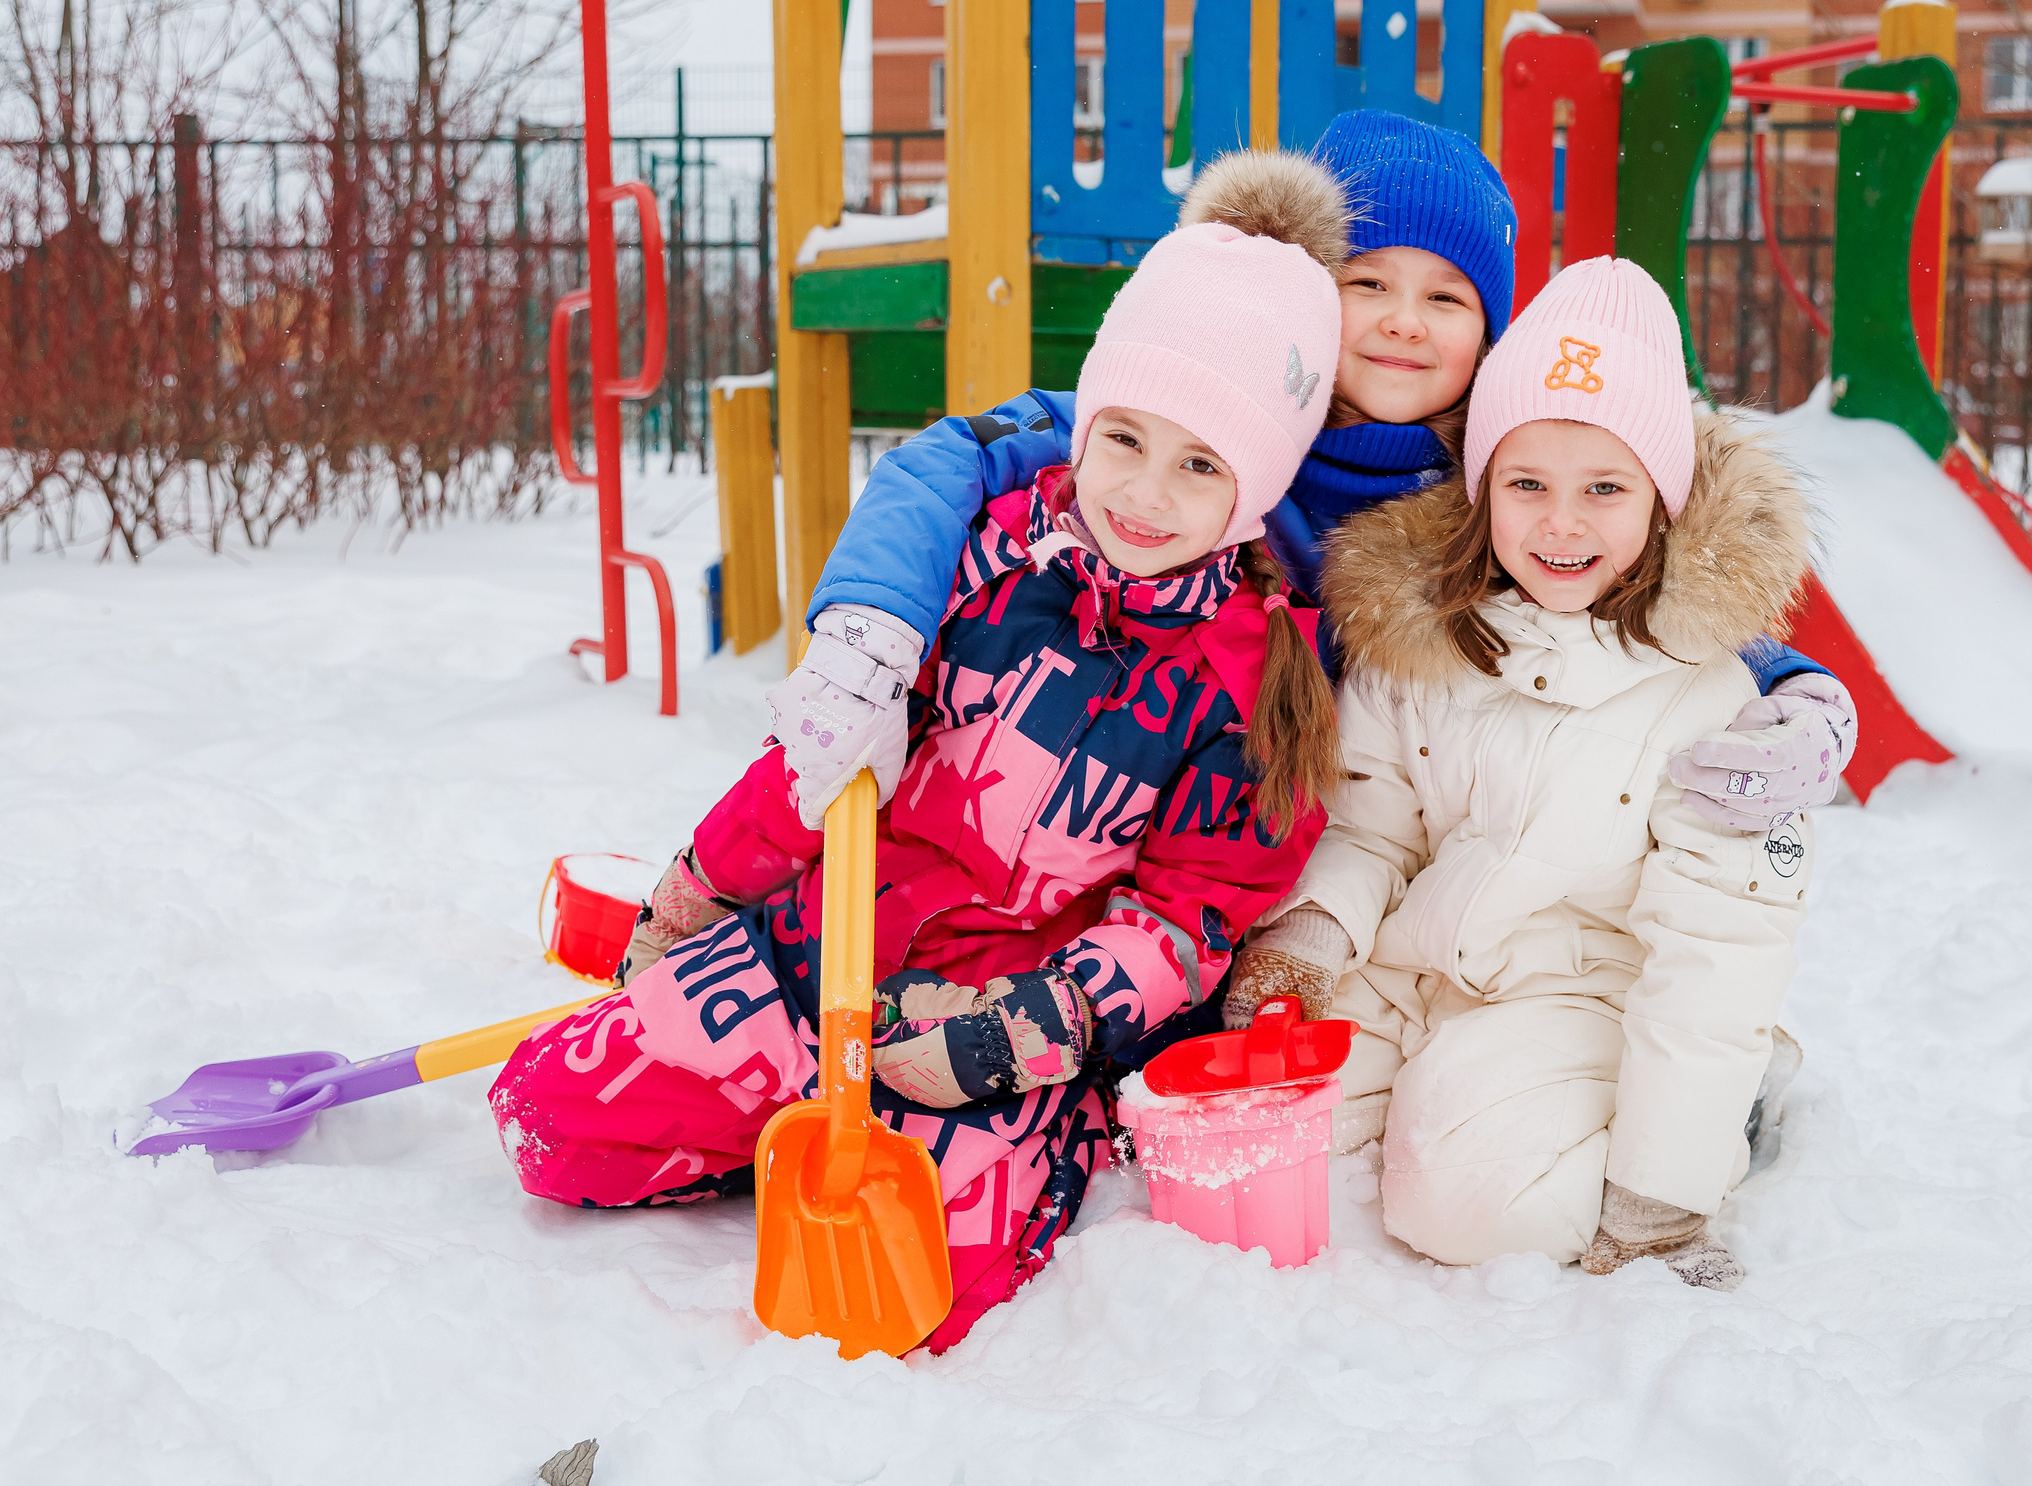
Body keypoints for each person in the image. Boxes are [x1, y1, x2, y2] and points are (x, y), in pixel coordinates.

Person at [490, 150, 1349, 1350]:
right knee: (546, 1123)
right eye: (1125, 440)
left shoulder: (1258, 682)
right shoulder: (983, 559)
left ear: (1254, 487)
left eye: (1201, 464)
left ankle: (1037, 1151)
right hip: (827, 947)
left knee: (917, 1297)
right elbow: (827, 760)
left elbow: (1185, 919)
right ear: (1083, 424)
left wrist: (1028, 1029)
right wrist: (697, 893)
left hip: (1001, 1024)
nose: (1145, 493)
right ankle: (765, 1111)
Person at [760, 112, 1857, 1023]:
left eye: (1448, 298)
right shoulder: (1198, 418)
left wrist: (1799, 692)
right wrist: (870, 626)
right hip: (1122, 789)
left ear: (1491, 330)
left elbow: (1644, 595)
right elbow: (956, 456)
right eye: (1366, 281)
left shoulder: (1508, 481)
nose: (1401, 325)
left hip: (1319, 852)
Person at [1256, 257, 1817, 1289]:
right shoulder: (1424, 643)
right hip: (1420, 973)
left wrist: (1662, 1198)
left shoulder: (1712, 704)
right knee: (1266, 1132)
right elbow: (1373, 826)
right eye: (1527, 485)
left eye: (1604, 489)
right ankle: (1452, 1092)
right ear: (1480, 490)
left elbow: (1714, 953)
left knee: (1464, 1200)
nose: (1561, 525)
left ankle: (1721, 1114)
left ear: (1661, 502)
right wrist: (1312, 930)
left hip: (1586, 996)